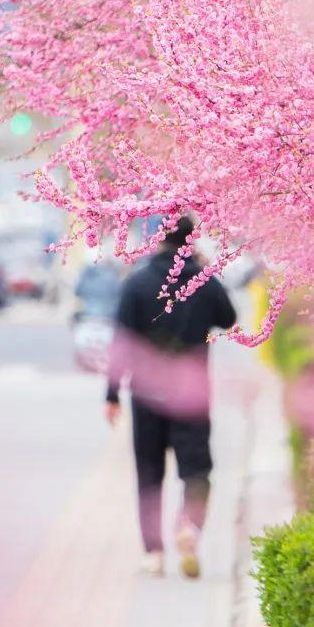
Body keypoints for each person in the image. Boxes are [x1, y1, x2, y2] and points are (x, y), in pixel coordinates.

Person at [105, 217, 237, 578]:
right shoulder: (202, 281)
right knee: (197, 470)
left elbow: (121, 342)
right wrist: (205, 271)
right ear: (191, 241)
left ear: (155, 241)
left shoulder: (137, 283)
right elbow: (228, 319)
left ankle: (153, 553)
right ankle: (188, 529)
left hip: (146, 392)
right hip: (192, 393)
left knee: (149, 473)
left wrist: (112, 393)